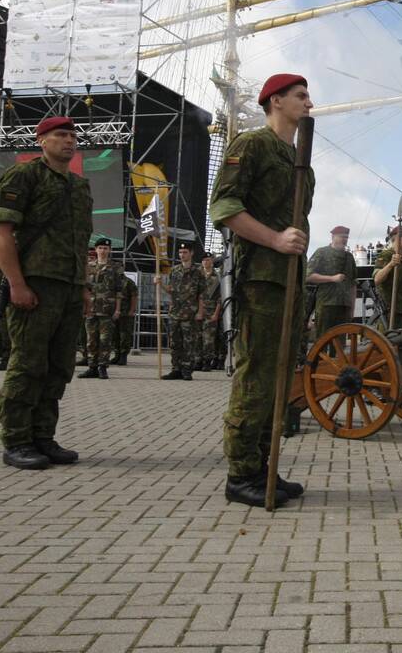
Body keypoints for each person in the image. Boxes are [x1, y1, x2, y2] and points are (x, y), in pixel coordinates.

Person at [209, 72, 313, 508]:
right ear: (275, 101)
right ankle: (241, 475)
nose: (309, 102)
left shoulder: (301, 161)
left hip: (289, 281)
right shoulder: (251, 145)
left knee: (278, 379)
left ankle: (263, 467)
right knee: (255, 378)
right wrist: (273, 239)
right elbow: (225, 207)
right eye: (300, 95)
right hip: (259, 279)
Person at [0, 116, 92, 470]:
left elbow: (81, 242)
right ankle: (16, 440)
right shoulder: (24, 176)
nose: (69, 140)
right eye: (60, 135)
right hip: (35, 283)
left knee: (59, 367)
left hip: (69, 286)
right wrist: (17, 283)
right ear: (42, 141)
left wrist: (84, 286)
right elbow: (1, 232)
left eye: (72, 135)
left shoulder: (80, 187)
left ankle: (43, 437)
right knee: (28, 363)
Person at [156, 241, 204, 380]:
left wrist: (200, 312)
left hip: (190, 313)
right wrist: (160, 284)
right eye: (180, 253)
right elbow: (171, 291)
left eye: (185, 252)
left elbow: (202, 294)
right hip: (175, 313)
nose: (182, 255)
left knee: (188, 343)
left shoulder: (198, 271)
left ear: (191, 253)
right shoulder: (175, 270)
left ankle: (187, 370)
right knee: (174, 343)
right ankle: (175, 369)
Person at [78, 237, 122, 380]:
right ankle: (92, 367)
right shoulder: (89, 266)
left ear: (109, 250)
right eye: (100, 248)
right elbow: (84, 288)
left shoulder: (116, 268)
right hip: (91, 308)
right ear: (95, 250)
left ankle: (103, 367)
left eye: (105, 248)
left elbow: (119, 291)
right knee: (91, 340)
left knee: (105, 340)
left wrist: (117, 309)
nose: (103, 251)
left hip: (107, 309)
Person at [307, 225, 357, 340]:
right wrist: (332, 278)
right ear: (333, 236)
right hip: (326, 304)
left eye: (346, 237)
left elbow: (353, 284)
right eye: (341, 236)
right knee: (322, 341)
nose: (344, 240)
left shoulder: (349, 257)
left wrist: (352, 310)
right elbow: (308, 276)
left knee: (340, 344)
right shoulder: (322, 252)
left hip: (344, 306)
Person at [372, 225, 402, 330]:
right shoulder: (386, 255)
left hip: (401, 312)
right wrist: (391, 264)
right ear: (397, 238)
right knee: (386, 344)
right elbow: (377, 279)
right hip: (388, 312)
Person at [198, 254, 221, 371]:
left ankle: (207, 361)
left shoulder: (217, 277)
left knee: (208, 339)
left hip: (210, 312)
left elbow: (220, 298)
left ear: (212, 261)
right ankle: (198, 360)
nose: (205, 262)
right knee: (197, 337)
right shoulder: (197, 276)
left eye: (208, 260)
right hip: (197, 311)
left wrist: (216, 314)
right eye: (203, 260)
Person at [110, 272, 137, 366]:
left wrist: (132, 310)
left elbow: (134, 296)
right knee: (115, 334)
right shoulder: (112, 281)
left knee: (124, 335)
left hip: (125, 313)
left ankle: (123, 356)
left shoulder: (128, 282)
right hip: (113, 312)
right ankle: (117, 355)